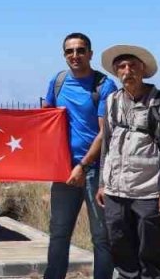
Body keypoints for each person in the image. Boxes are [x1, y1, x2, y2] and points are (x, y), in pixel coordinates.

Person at [96, 45, 160, 279]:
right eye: (122, 67)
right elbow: (107, 143)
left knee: (150, 253)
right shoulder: (112, 101)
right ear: (116, 72)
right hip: (115, 192)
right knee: (120, 247)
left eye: (133, 66)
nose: (127, 71)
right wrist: (103, 183)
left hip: (149, 192)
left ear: (143, 70)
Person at [42, 33, 117, 279]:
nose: (75, 55)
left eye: (80, 50)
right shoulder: (58, 81)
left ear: (90, 54)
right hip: (63, 170)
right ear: (64, 55)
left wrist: (83, 166)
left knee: (101, 236)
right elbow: (46, 120)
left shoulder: (104, 85)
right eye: (69, 51)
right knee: (59, 233)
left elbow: (104, 132)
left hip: (95, 170)